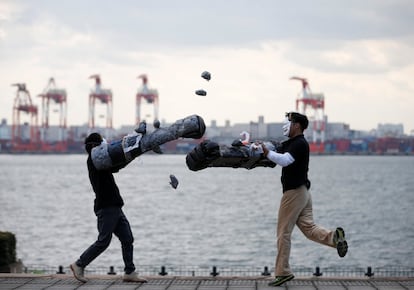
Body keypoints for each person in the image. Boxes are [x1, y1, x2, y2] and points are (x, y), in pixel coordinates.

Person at [261, 112, 348, 287]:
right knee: (309, 228)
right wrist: (259, 148)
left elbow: (285, 160)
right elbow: (278, 150)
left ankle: (283, 273)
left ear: (297, 126)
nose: (286, 125)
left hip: (293, 193)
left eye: (289, 122)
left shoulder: (300, 144)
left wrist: (268, 153)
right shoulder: (293, 143)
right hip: (303, 193)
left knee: (283, 233)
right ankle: (334, 238)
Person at [70, 132, 147, 283]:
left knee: (127, 238)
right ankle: (79, 264)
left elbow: (116, 165)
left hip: (115, 206)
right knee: (104, 241)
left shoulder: (99, 161)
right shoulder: (94, 160)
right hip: (107, 207)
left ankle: (129, 272)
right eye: (100, 143)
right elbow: (114, 163)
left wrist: (133, 154)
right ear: (95, 146)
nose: (103, 145)